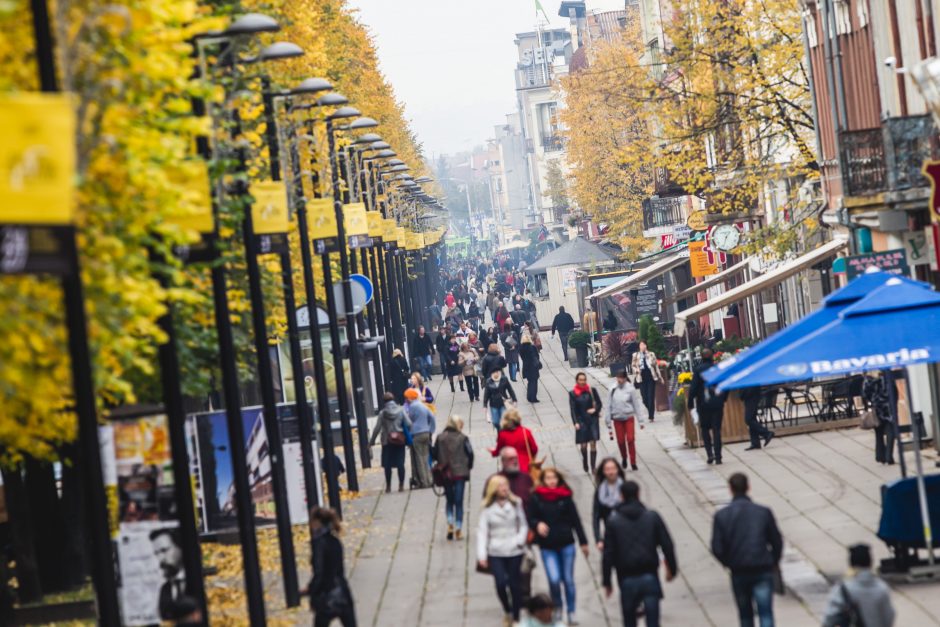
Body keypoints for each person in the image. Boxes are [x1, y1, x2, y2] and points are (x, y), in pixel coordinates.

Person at [711, 473, 783, 627]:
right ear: (748, 487)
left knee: (745, 616)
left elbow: (717, 547)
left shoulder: (722, 516)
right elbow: (776, 541)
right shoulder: (763, 512)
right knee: (766, 613)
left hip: (739, 570)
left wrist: (728, 562)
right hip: (762, 567)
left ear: (730, 489)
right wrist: (774, 560)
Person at [602, 481, 678, 627]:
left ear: (621, 496)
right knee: (653, 621)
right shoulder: (652, 517)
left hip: (626, 578)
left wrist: (607, 581)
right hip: (650, 575)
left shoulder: (613, 522)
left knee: (629, 621)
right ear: (638, 494)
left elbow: (608, 553)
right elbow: (667, 545)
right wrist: (672, 569)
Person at [528, 467, 589, 626]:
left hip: (566, 544)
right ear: (543, 480)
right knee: (554, 580)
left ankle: (571, 610)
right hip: (547, 547)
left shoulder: (565, 497)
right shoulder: (537, 498)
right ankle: (558, 607)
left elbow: (576, 521)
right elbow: (530, 517)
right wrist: (537, 524)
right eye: (548, 478)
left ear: (558, 479)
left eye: (554, 478)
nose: (551, 481)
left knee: (568, 579)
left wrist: (583, 542)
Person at [478, 475, 529, 627]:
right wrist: (482, 555)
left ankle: (516, 617)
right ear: (494, 489)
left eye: (506, 485)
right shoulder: (487, 508)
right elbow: (482, 531)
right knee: (500, 583)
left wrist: (520, 540)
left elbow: (524, 524)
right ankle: (507, 609)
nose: (505, 489)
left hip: (514, 549)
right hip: (496, 550)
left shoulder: (515, 503)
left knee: (515, 584)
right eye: (501, 486)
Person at [304, 507, 356, 627]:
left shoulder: (319, 543)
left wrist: (312, 591)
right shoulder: (335, 540)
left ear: (316, 522)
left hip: (327, 596)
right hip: (343, 593)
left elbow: (319, 573)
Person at [821, 544, 895, 627]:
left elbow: (830, 616)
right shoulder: (881, 588)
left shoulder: (843, 588)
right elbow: (889, 616)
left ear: (851, 563)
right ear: (870, 562)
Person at [434, 416, 474, 541]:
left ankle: (450, 521)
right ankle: (458, 528)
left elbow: (434, 454)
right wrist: (468, 466)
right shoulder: (463, 438)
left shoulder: (440, 438)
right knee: (459, 501)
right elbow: (470, 453)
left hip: (446, 473)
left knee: (449, 500)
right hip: (460, 473)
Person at [688, 349, 728, 464]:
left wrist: (690, 402)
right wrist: (723, 398)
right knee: (716, 430)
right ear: (712, 357)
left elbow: (693, 388)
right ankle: (718, 456)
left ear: (702, 357)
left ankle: (710, 454)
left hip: (703, 404)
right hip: (717, 404)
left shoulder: (699, 370)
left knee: (705, 429)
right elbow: (725, 384)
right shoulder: (718, 368)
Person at [370, 392, 412, 493]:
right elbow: (409, 424)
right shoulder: (401, 411)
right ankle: (401, 485)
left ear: (384, 402)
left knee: (387, 465)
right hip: (400, 440)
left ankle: (388, 486)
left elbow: (377, 428)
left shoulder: (382, 413)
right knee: (400, 463)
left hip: (386, 441)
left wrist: (371, 441)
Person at [606, 370, 648, 470]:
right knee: (620, 441)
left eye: (621, 378)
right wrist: (608, 421)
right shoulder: (612, 389)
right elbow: (608, 405)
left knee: (630, 439)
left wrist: (641, 420)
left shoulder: (630, 388)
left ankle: (633, 461)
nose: (619, 380)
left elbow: (636, 405)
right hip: (617, 418)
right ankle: (624, 457)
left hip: (628, 417)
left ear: (625, 378)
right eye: (618, 378)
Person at [569, 372, 602, 473]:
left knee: (593, 443)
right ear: (577, 381)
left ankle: (593, 467)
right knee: (583, 446)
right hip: (581, 421)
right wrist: (575, 422)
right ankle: (585, 461)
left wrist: (595, 410)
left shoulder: (591, 391)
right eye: (580, 380)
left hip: (592, 420)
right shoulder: (573, 393)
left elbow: (599, 403)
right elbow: (573, 409)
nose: (583, 382)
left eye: (584, 380)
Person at [404, 388, 436, 489]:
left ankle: (423, 482)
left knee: (419, 459)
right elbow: (432, 417)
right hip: (426, 433)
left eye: (406, 397)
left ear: (409, 398)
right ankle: (429, 479)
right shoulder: (422, 405)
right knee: (426, 457)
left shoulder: (412, 407)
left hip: (417, 435)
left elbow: (409, 421)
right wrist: (431, 430)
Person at [151, 527, 186, 621]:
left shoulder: (196, 579)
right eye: (157, 553)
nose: (160, 559)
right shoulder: (165, 589)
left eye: (164, 550)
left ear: (180, 547)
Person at [863, 372, 897, 465]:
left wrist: (873, 400)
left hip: (877, 407)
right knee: (890, 432)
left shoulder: (869, 379)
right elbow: (894, 391)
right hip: (888, 407)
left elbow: (865, 394)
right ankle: (889, 456)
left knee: (879, 433)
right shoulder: (887, 377)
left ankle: (880, 456)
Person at [491, 408, 538, 473]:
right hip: (526, 466)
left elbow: (498, 451)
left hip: (510, 468)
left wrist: (492, 452)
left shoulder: (503, 434)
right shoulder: (526, 432)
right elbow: (534, 449)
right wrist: (531, 457)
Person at [592, 458, 624, 551]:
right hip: (610, 535)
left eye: (613, 468)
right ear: (603, 472)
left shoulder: (626, 488)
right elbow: (596, 517)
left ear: (617, 469)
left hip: (628, 533)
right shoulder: (599, 492)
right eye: (607, 469)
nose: (611, 472)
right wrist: (598, 539)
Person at [631, 341, 662, 422]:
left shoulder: (651, 354)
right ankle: (650, 409)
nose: (642, 346)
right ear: (639, 346)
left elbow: (656, 366)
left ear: (646, 345)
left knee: (651, 397)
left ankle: (651, 416)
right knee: (644, 398)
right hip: (641, 379)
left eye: (643, 344)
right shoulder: (636, 355)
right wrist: (636, 370)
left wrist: (659, 377)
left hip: (651, 378)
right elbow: (633, 365)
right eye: (641, 345)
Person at [740, 387, 775, 452]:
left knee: (748, 419)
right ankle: (755, 443)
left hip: (751, 395)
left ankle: (766, 433)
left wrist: (743, 394)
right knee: (752, 419)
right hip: (751, 395)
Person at [519, 335, 541, 403]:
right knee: (534, 383)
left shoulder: (521, 348)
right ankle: (533, 397)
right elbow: (537, 356)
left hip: (526, 367)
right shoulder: (532, 347)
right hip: (533, 367)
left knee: (529, 382)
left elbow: (522, 358)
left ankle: (529, 397)